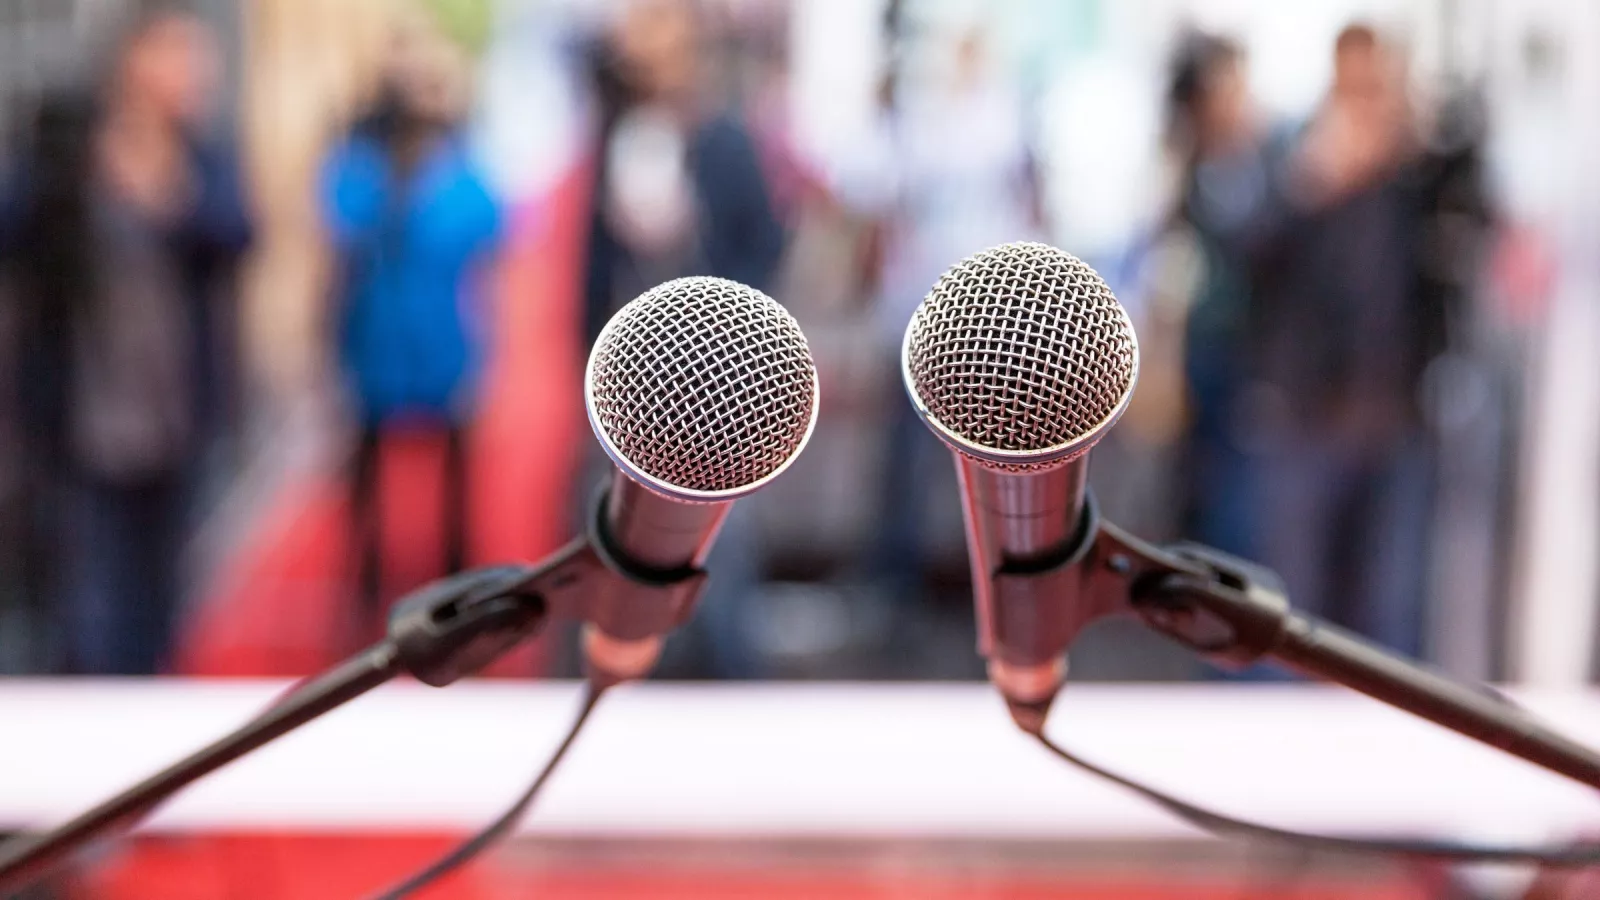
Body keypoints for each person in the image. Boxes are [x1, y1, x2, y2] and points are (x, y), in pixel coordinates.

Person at [0, 2, 252, 674]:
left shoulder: (203, 156)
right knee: (89, 588)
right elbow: (19, 231)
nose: (198, 72)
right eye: (180, 55)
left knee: (164, 584)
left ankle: (148, 701)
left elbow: (237, 235)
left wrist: (174, 192)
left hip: (174, 405)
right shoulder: (70, 149)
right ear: (135, 61)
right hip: (84, 408)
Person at [580, 0, 785, 678]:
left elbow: (765, 243)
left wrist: (723, 319)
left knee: (726, 536)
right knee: (633, 528)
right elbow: (598, 255)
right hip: (636, 373)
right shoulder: (624, 134)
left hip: (718, 376)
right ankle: (643, 663)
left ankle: (731, 671)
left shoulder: (725, 140)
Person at [1249, 25, 1435, 657]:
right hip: (1310, 408)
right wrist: (1315, 180)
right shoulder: (1297, 151)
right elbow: (1251, 251)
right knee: (1297, 604)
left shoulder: (1414, 168)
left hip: (1392, 408)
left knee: (1386, 605)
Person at [322, 12, 502, 640]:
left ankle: (455, 587)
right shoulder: (359, 159)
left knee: (455, 481)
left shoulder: (457, 162)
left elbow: (487, 223)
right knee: (367, 480)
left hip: (443, 342)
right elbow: (341, 218)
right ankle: (364, 589)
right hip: (376, 341)